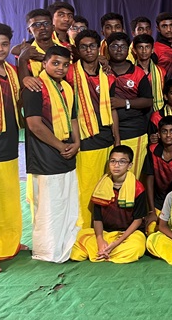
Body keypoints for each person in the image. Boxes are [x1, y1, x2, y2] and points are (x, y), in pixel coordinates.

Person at [23, 45, 80, 263]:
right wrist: (59, 146)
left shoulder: (67, 87)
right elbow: (34, 125)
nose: (60, 68)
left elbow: (73, 118)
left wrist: (76, 142)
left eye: (65, 64)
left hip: (66, 150)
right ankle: (47, 251)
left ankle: (66, 245)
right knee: (49, 205)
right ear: (44, 63)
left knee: (66, 201)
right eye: (55, 63)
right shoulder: (35, 87)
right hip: (45, 154)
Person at [66, 30, 119, 229]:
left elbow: (112, 108)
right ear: (77, 50)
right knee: (85, 187)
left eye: (92, 46)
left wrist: (117, 139)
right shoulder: (69, 73)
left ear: (99, 48)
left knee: (105, 186)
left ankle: (104, 226)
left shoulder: (108, 76)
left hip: (105, 137)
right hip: (84, 138)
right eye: (84, 47)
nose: (88, 50)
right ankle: (84, 229)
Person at [70, 146, 146, 263]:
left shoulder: (138, 188)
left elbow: (138, 220)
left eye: (122, 162)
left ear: (129, 166)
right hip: (106, 234)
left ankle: (103, 252)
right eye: (113, 161)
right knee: (78, 240)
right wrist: (100, 240)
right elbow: (97, 219)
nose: (116, 165)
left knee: (136, 247)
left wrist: (117, 242)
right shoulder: (101, 187)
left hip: (128, 235)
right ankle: (106, 251)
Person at [0, 23, 23, 273]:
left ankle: (8, 242)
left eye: (4, 44)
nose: (0, 49)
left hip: (9, 143)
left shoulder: (11, 71)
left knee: (7, 195)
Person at [107, 32, 153, 176]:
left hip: (133, 131)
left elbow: (148, 101)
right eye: (114, 46)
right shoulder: (101, 70)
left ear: (129, 50)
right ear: (107, 48)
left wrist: (125, 103)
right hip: (107, 133)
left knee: (132, 176)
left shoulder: (138, 72)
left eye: (123, 46)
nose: (119, 50)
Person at [17, 9, 57, 80]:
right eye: (36, 25)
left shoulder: (64, 50)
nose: (42, 27)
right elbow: (24, 83)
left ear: (53, 27)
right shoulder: (25, 55)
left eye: (46, 23)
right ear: (29, 31)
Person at [132, 34, 165, 111]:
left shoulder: (161, 72)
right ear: (134, 50)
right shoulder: (130, 72)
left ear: (152, 50)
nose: (144, 51)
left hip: (157, 111)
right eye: (140, 47)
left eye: (147, 47)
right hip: (136, 112)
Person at [153, 12, 172, 80]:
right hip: (162, 85)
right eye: (164, 26)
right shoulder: (154, 49)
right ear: (158, 28)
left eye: (171, 25)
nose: (168, 29)